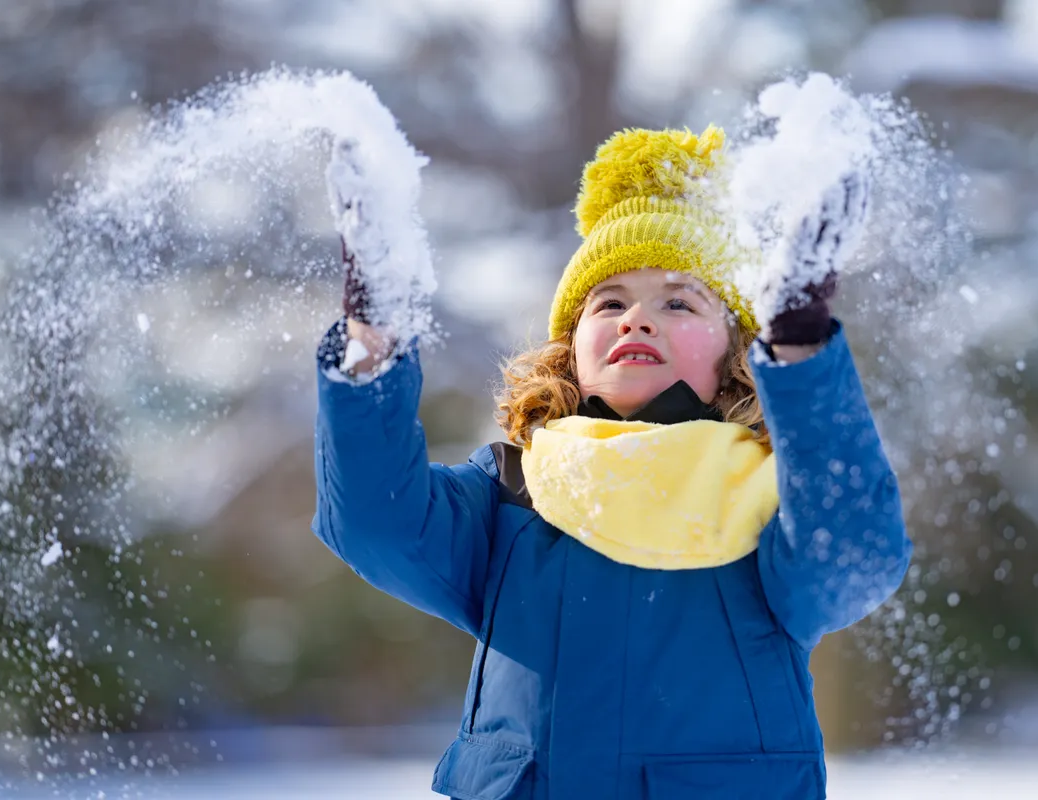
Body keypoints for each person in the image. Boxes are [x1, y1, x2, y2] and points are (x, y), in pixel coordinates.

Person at [312, 124, 911, 800]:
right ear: (571, 348)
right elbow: (374, 521)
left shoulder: (770, 499)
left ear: (733, 354)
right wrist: (372, 336)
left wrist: (802, 349)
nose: (636, 320)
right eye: (610, 302)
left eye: (678, 301)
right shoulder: (509, 493)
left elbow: (855, 558)